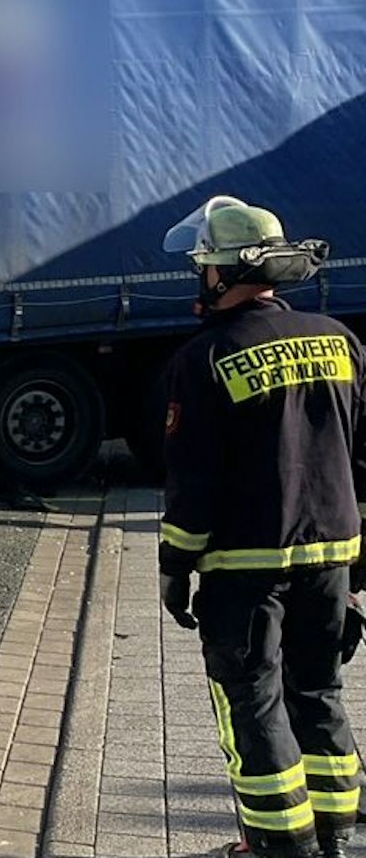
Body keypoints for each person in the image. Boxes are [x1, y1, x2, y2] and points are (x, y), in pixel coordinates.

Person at [157, 195, 366, 858]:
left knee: (253, 703)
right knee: (318, 691)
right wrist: (358, 572)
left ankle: (277, 848)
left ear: (219, 273)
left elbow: (193, 484)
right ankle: (333, 839)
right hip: (332, 558)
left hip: (245, 569)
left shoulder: (205, 358)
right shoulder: (342, 340)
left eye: (204, 268)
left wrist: (174, 567)